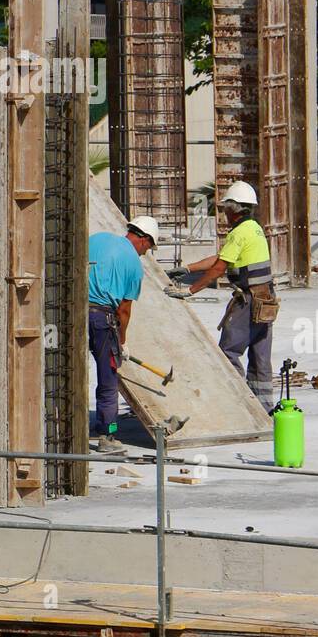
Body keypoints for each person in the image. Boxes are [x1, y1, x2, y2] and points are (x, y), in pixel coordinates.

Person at [171, 182, 277, 411]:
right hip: (266, 299)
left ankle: (236, 400)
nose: (223, 214)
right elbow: (222, 257)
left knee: (228, 351)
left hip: (249, 301)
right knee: (260, 355)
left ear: (234, 209)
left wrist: (189, 290)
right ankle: (263, 408)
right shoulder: (254, 228)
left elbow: (219, 268)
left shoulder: (239, 233)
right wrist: (188, 268)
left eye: (224, 209)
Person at [88, 215, 159, 454]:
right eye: (149, 248)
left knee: (65, 371)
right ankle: (107, 435)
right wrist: (122, 341)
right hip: (102, 319)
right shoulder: (133, 264)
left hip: (69, 313)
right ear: (144, 239)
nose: (146, 253)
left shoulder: (98, 239)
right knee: (108, 376)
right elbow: (124, 310)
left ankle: (57, 427)